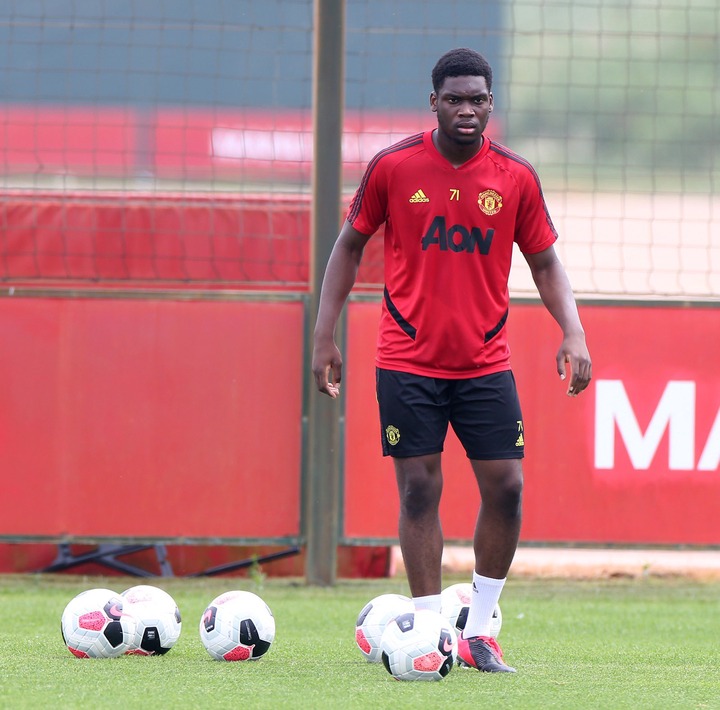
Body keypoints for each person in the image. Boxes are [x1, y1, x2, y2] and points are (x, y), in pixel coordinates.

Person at [312, 47, 592, 673]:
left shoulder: (515, 176)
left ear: (491, 105)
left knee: (508, 489)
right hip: (406, 358)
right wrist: (323, 334)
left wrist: (573, 331)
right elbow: (349, 245)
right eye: (456, 99)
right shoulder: (393, 166)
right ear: (433, 102)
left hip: (485, 361)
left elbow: (546, 262)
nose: (468, 110)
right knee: (419, 489)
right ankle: (429, 631)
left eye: (478, 100)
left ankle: (480, 629)